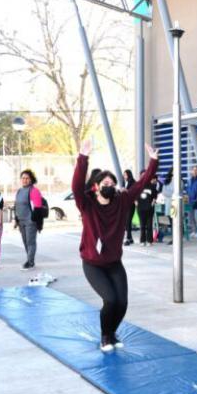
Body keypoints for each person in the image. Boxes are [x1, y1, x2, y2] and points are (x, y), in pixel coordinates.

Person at [72, 139, 158, 352]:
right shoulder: (87, 205)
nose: (109, 187)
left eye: (112, 184)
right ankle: (104, 336)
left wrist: (153, 161)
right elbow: (75, 186)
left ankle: (111, 332)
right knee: (110, 300)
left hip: (113, 262)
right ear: (96, 187)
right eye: (105, 185)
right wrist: (83, 158)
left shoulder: (122, 201)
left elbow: (141, 184)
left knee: (123, 303)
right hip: (93, 263)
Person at [14, 170, 44, 270]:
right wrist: (16, 219)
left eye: (27, 178)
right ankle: (30, 259)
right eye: (23, 178)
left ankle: (30, 262)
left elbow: (38, 208)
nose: (25, 180)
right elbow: (16, 206)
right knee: (25, 242)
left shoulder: (34, 191)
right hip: (21, 221)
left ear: (31, 179)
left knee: (31, 242)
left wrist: (35, 221)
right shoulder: (19, 191)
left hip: (31, 221)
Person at [136, 170, 159, 247]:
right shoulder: (138, 186)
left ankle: (149, 240)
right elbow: (133, 195)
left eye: (145, 175)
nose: (143, 176)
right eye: (142, 175)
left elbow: (155, 195)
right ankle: (142, 240)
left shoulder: (151, 186)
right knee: (142, 225)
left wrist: (154, 201)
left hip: (149, 208)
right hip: (140, 208)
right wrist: (135, 202)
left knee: (149, 225)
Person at [123, 170, 137, 246]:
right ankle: (130, 238)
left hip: (131, 204)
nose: (124, 176)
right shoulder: (126, 182)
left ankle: (128, 238)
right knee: (127, 221)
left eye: (125, 175)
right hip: (127, 204)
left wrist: (126, 190)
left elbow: (133, 192)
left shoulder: (132, 182)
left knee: (128, 221)